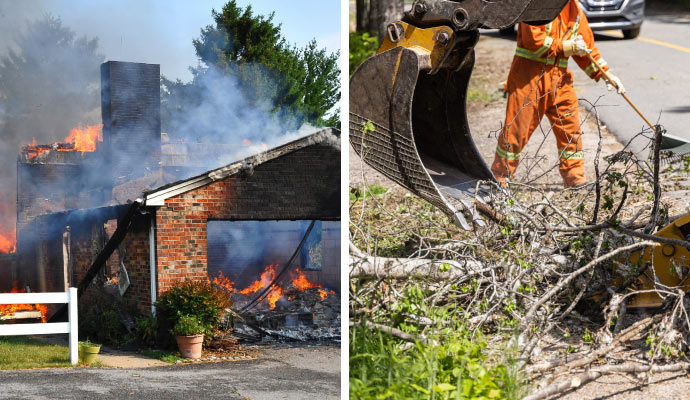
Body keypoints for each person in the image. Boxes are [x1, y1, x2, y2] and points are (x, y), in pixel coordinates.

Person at [490, 0, 625, 187]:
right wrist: (567, 47)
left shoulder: (574, 9)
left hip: (560, 81)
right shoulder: (535, 5)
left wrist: (606, 73)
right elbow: (534, 41)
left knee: (570, 130)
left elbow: (586, 46)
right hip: (529, 80)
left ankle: (575, 178)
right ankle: (499, 177)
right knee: (516, 132)